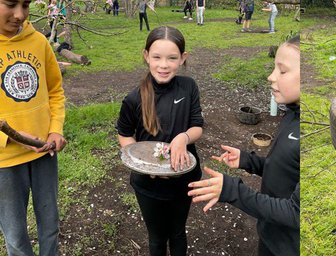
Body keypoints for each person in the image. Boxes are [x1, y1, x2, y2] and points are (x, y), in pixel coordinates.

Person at [187, 37, 299, 256]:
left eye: (282, 72)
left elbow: (296, 213)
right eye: (274, 68)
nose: (271, 77)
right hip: (271, 233)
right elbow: (287, 169)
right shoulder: (292, 114)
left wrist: (232, 190)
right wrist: (250, 161)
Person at [117, 25, 204, 256]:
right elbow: (125, 134)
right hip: (148, 185)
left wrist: (182, 138)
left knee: (177, 232)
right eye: (156, 57)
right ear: (146, 56)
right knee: (156, 238)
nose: (163, 65)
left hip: (183, 177)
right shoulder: (134, 98)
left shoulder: (189, 87)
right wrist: (142, 165)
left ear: (183, 58)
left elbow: (197, 126)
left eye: (172, 58)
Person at [0, 0, 67, 256]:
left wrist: (55, 131)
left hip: (43, 152)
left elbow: (55, 91)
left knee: (50, 225)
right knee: (14, 235)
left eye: (26, 4)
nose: (19, 14)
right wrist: (10, 137)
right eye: (10, 3)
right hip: (4, 162)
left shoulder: (38, 42)